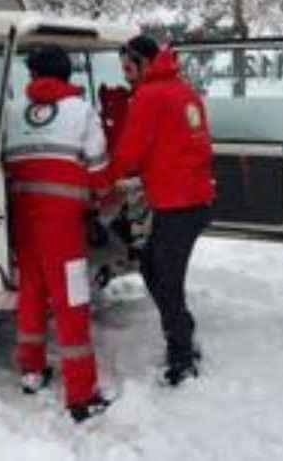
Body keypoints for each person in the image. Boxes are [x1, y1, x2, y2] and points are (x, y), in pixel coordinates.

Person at [3, 45, 110, 423]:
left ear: (33, 76)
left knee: (31, 294)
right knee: (71, 303)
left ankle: (31, 372)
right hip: (63, 227)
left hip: (22, 221)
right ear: (68, 75)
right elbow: (98, 169)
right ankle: (81, 395)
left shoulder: (13, 111)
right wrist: (104, 198)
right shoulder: (81, 111)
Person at [103, 35, 215, 386]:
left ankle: (182, 356)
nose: (126, 76)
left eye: (128, 68)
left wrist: (103, 180)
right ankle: (182, 331)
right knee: (153, 265)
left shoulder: (150, 95)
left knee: (165, 278)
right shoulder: (183, 90)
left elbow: (130, 150)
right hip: (192, 198)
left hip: (179, 203)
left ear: (145, 63)